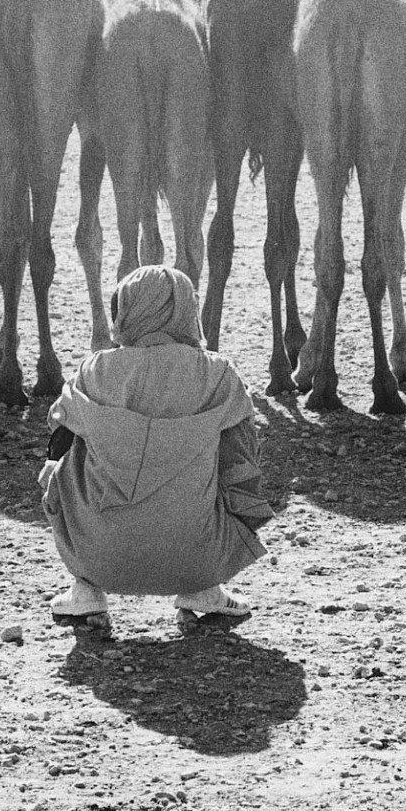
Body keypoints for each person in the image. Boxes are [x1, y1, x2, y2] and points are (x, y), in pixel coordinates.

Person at [39, 266, 275, 623]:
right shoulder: (218, 375)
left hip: (99, 556)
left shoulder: (93, 371)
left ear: (126, 309)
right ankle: (204, 588)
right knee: (236, 452)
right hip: (197, 555)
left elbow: (56, 443)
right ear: (187, 311)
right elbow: (244, 462)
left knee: (65, 454)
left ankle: (85, 590)